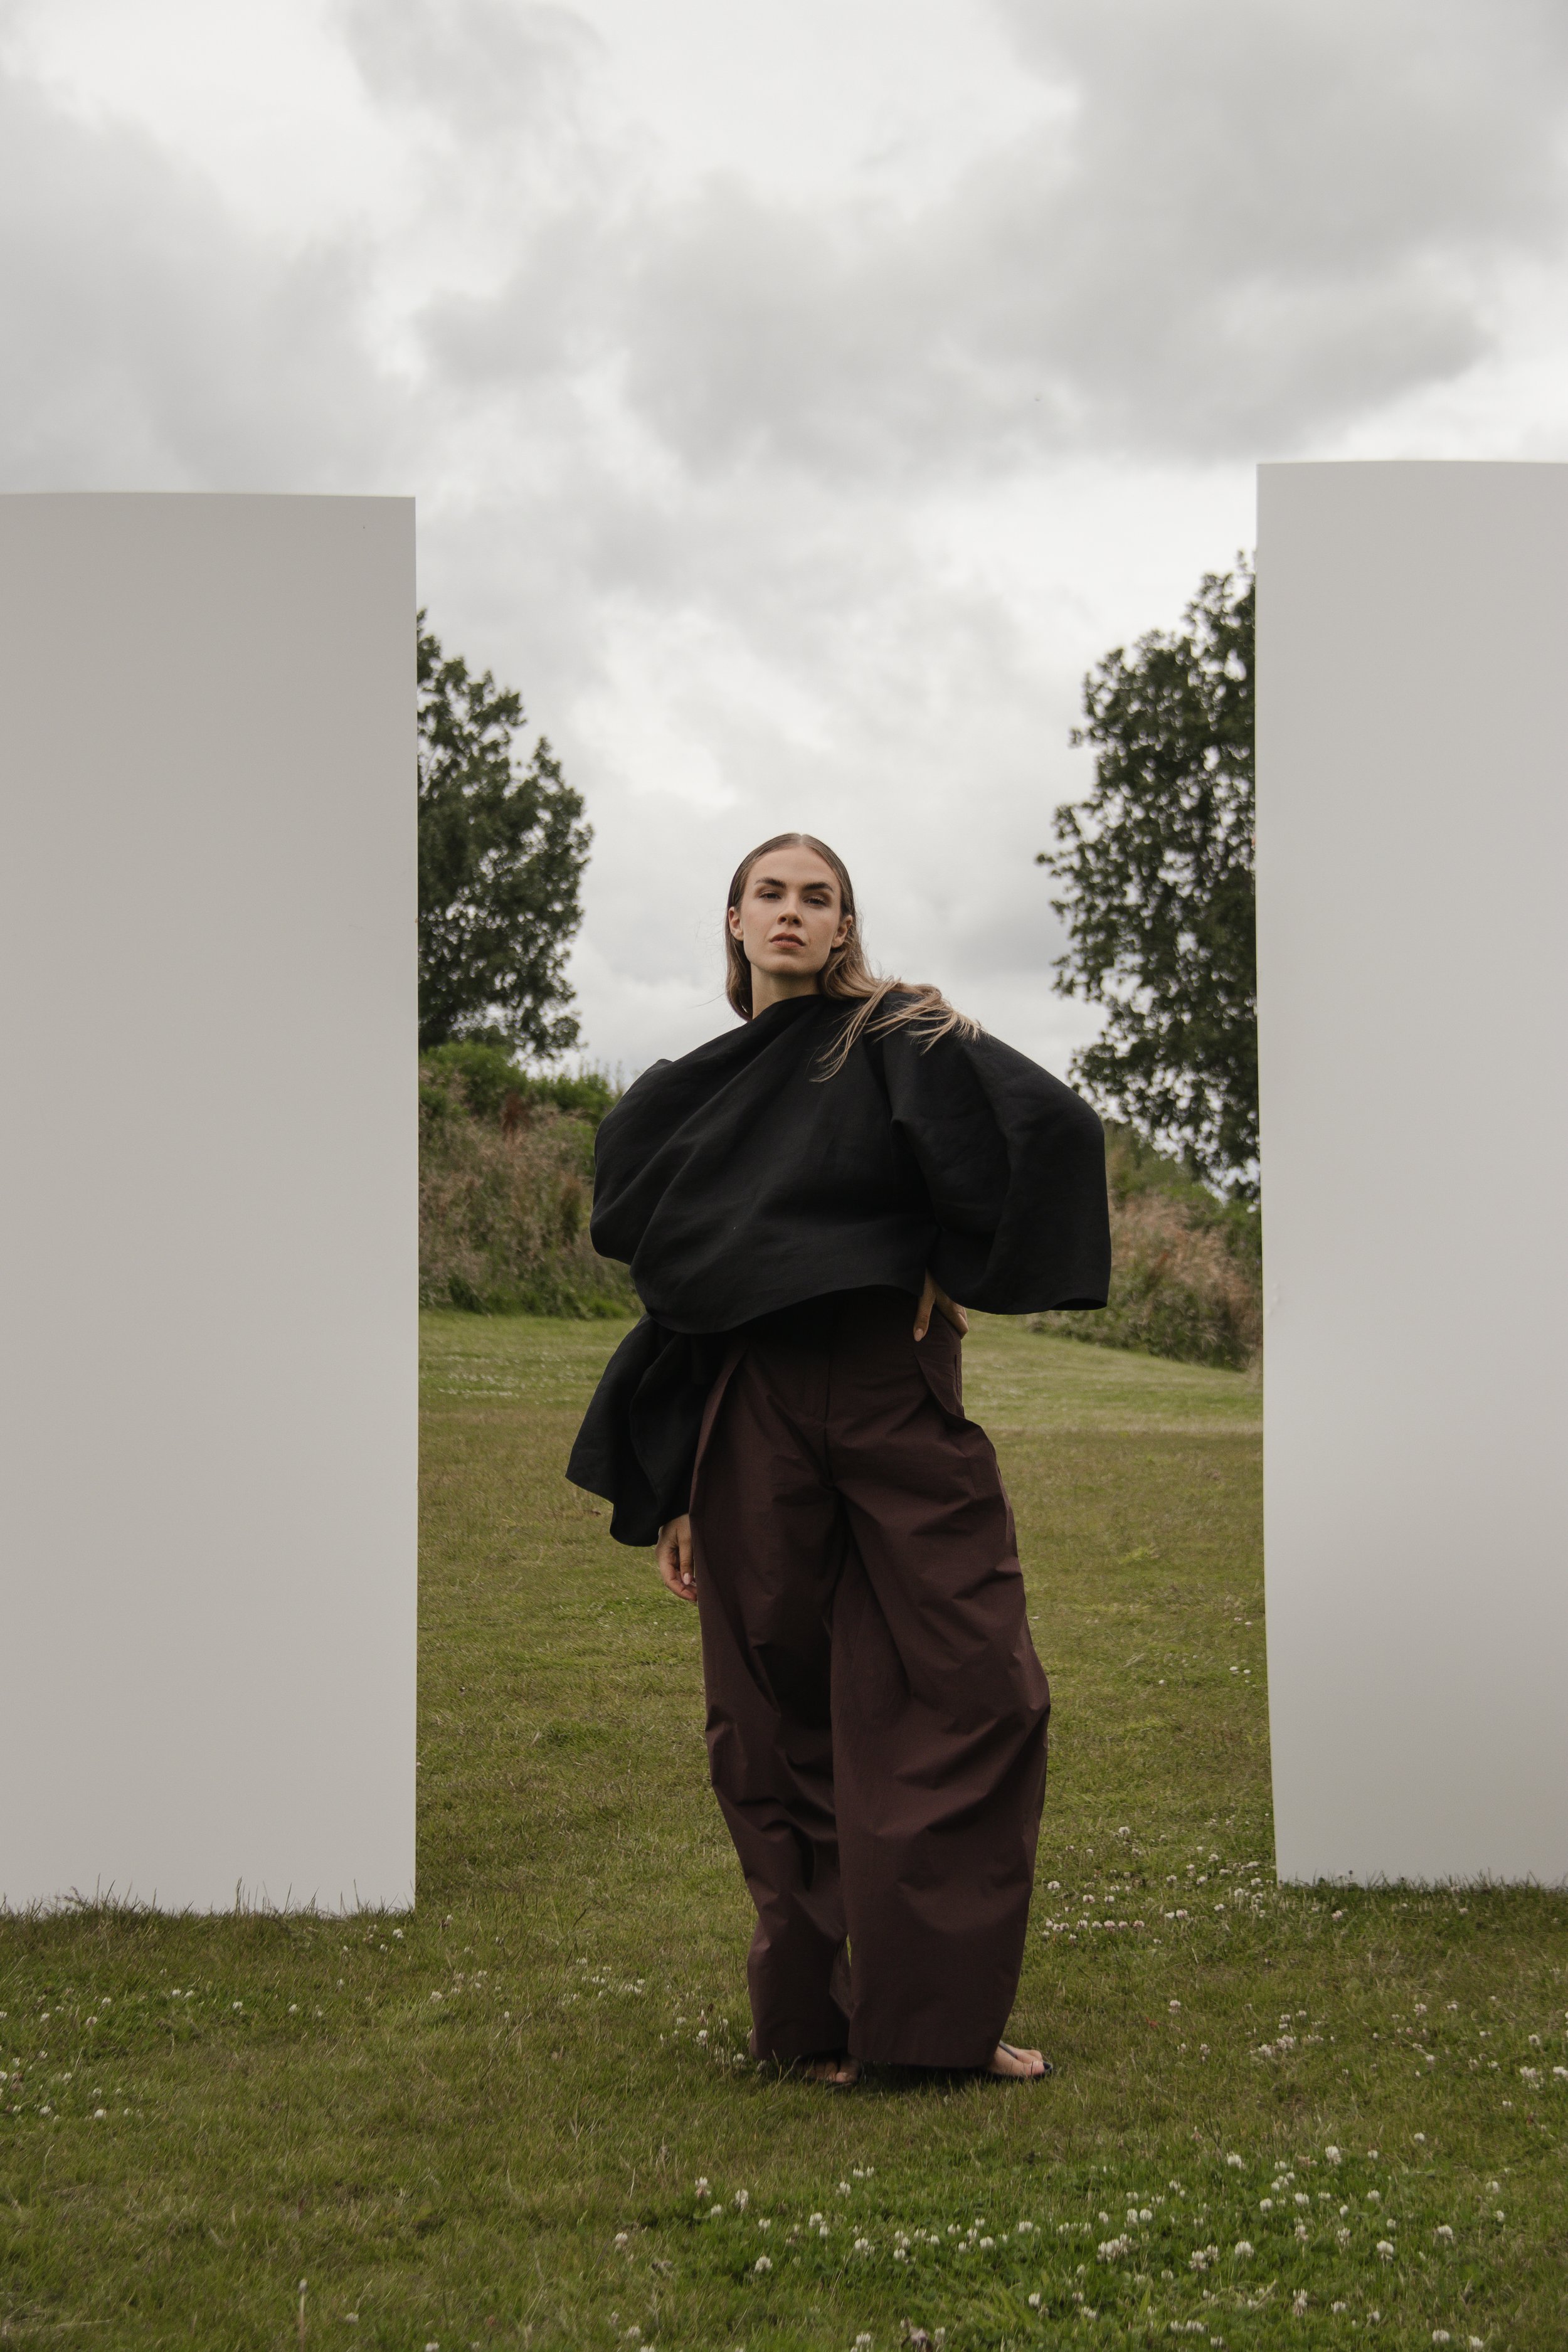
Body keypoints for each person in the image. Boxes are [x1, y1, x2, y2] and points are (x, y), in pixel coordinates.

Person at [568, 832, 1110, 2086]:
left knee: (981, 1681)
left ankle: (935, 2026)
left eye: (821, 897)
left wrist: (946, 1255)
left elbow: (1045, 1128)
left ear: (844, 925)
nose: (794, 913)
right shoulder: (681, 1093)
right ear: (734, 920)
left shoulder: (895, 1037)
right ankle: (808, 2026)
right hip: (748, 1406)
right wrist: (680, 1494)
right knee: (770, 1719)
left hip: (888, 1387)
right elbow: (692, 1281)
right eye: (773, 894)